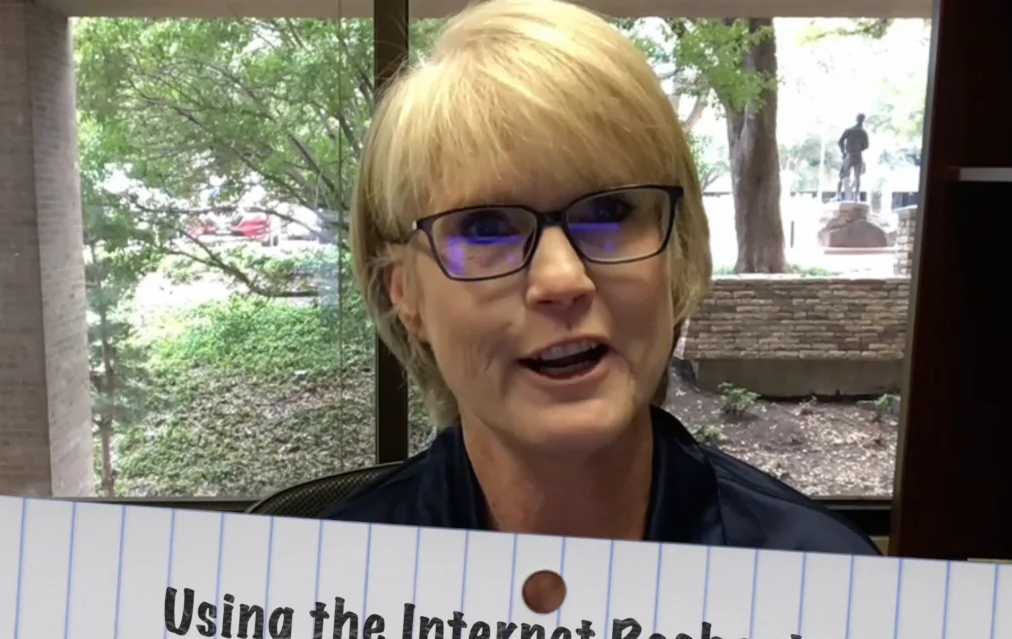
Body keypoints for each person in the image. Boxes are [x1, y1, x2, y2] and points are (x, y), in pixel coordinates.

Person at [321, 0, 878, 559]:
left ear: (678, 253)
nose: (563, 279)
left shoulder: (824, 580)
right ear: (406, 294)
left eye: (610, 212)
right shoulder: (321, 584)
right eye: (487, 227)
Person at [837, 114, 871, 200]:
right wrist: (859, 148)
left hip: (850, 154)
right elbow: (866, 146)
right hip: (857, 154)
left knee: (843, 175)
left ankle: (839, 194)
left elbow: (840, 141)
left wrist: (843, 152)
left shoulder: (850, 130)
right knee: (857, 176)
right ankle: (855, 195)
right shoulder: (863, 132)